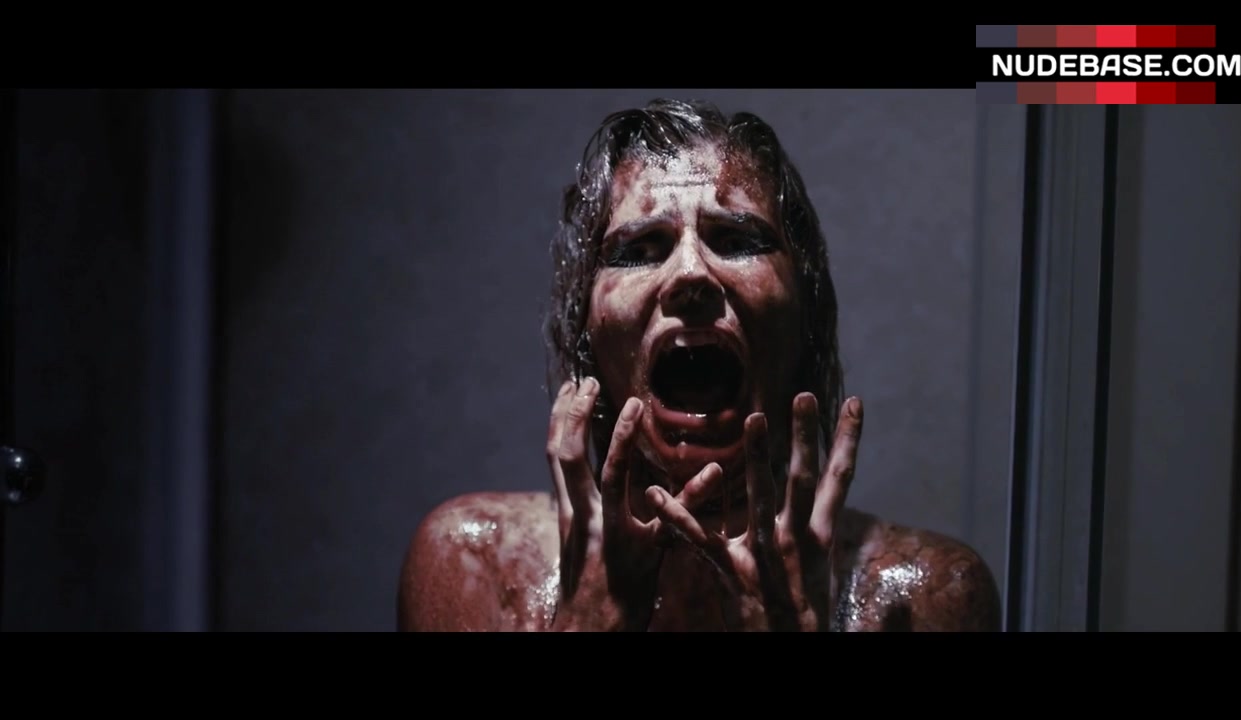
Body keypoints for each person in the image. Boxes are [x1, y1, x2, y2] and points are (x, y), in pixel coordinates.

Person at [397, 98, 1002, 631]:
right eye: (639, 249)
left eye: (737, 241)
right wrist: (587, 624)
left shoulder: (922, 596)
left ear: (805, 315)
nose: (690, 274)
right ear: (587, 327)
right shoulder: (474, 564)